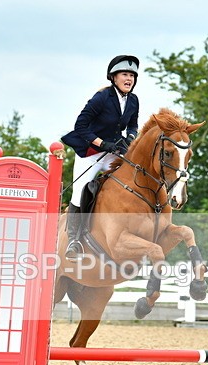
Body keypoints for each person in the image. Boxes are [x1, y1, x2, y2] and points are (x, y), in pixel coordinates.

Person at [60, 54, 140, 260]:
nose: (129, 78)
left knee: (131, 179)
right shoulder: (102, 97)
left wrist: (130, 137)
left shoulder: (133, 100)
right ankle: (73, 240)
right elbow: (81, 126)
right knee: (80, 191)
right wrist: (102, 144)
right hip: (91, 152)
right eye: (124, 74)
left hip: (113, 152)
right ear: (113, 77)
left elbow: (133, 124)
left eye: (132, 75)